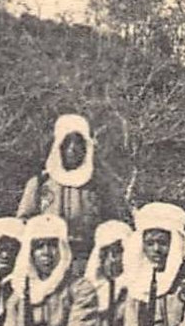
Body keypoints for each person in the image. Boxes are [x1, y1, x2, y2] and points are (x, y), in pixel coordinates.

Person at [15, 113, 117, 264]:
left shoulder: (99, 185)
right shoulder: (40, 183)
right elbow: (23, 222)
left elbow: (113, 222)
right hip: (48, 258)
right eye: (67, 143)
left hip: (86, 257)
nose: (73, 149)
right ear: (59, 147)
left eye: (78, 144)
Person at [84, 218, 133, 326]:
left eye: (118, 251)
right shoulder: (91, 289)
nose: (112, 258)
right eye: (106, 252)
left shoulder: (135, 288)